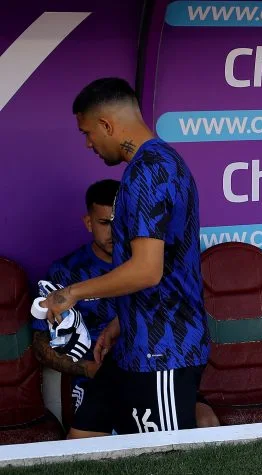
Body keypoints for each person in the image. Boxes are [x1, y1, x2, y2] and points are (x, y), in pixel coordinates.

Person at [43, 78, 209, 437]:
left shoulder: (150, 170)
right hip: (134, 341)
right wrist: (121, 322)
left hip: (163, 350)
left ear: (106, 124)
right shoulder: (148, 167)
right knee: (84, 436)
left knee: (164, 459)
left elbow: (146, 270)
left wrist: (71, 293)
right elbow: (158, 265)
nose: (88, 143)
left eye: (88, 132)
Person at [32, 180, 218, 431]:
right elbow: (41, 344)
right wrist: (87, 368)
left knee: (206, 420)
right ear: (89, 223)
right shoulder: (66, 273)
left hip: (153, 369)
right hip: (95, 379)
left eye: (120, 222)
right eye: (104, 223)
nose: (113, 231)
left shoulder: (149, 266)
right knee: (111, 435)